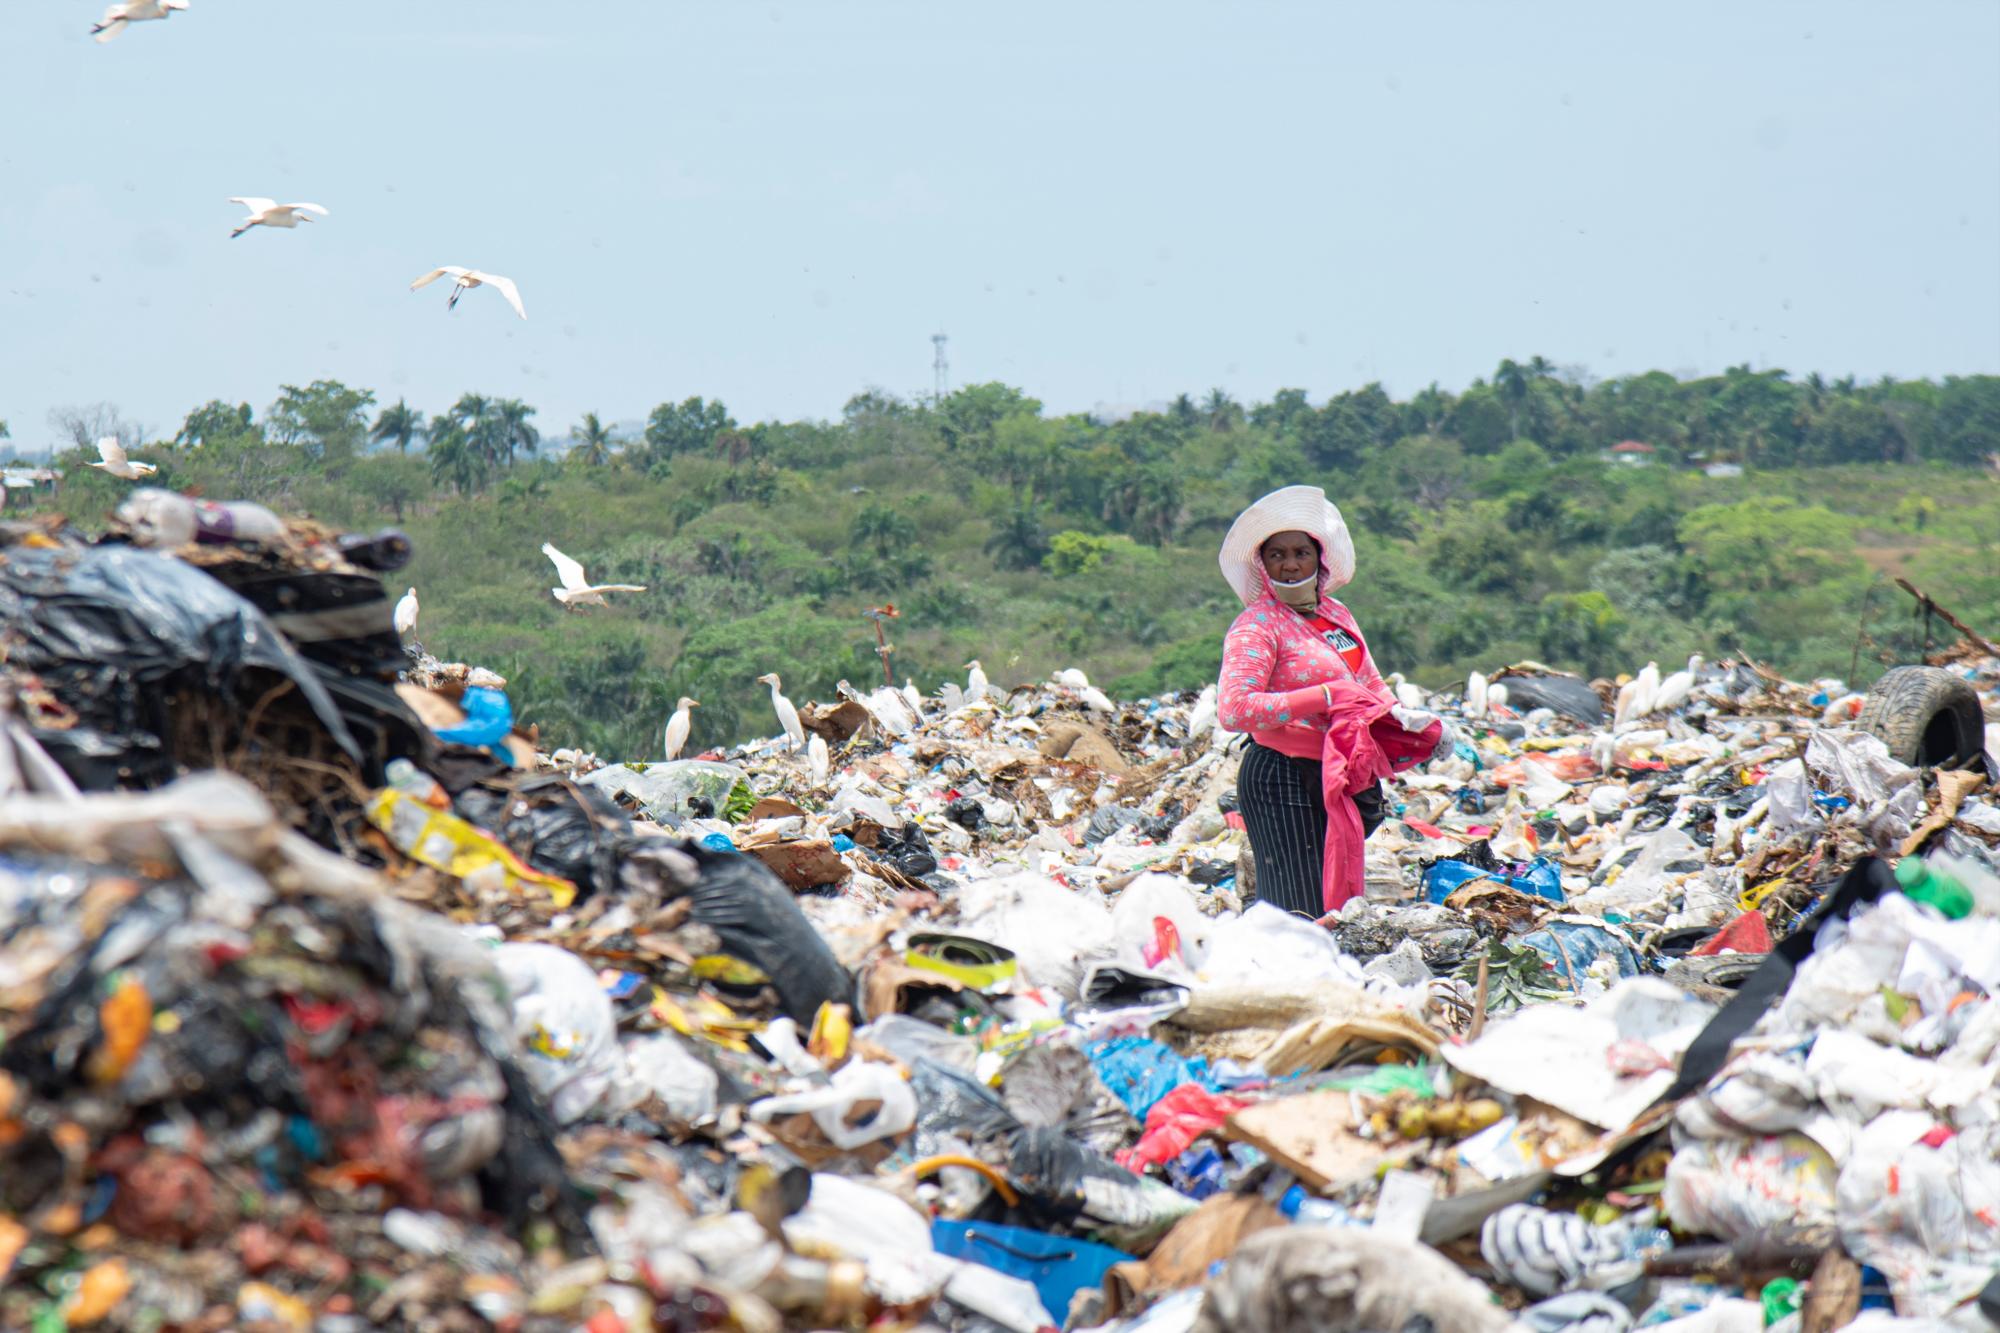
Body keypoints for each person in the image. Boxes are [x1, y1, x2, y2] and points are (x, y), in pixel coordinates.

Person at [1215, 486, 1451, 918]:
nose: (1289, 564)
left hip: (1340, 771)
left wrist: (1414, 723)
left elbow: (1369, 682)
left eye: (1300, 553)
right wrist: (1325, 697)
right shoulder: (1258, 626)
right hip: (1281, 774)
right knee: (1300, 904)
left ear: (1318, 558)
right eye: (1276, 555)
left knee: (1334, 901)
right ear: (1262, 565)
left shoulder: (1336, 614)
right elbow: (1235, 709)